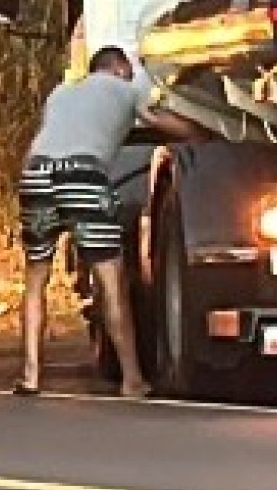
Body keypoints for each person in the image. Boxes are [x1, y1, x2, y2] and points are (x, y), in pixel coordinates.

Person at [15, 46, 201, 399]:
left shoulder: (61, 93)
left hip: (36, 172)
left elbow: (42, 140)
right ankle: (132, 379)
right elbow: (162, 121)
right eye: (129, 70)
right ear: (117, 68)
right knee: (111, 279)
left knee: (36, 278)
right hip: (84, 174)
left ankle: (30, 375)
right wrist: (203, 133)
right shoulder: (126, 90)